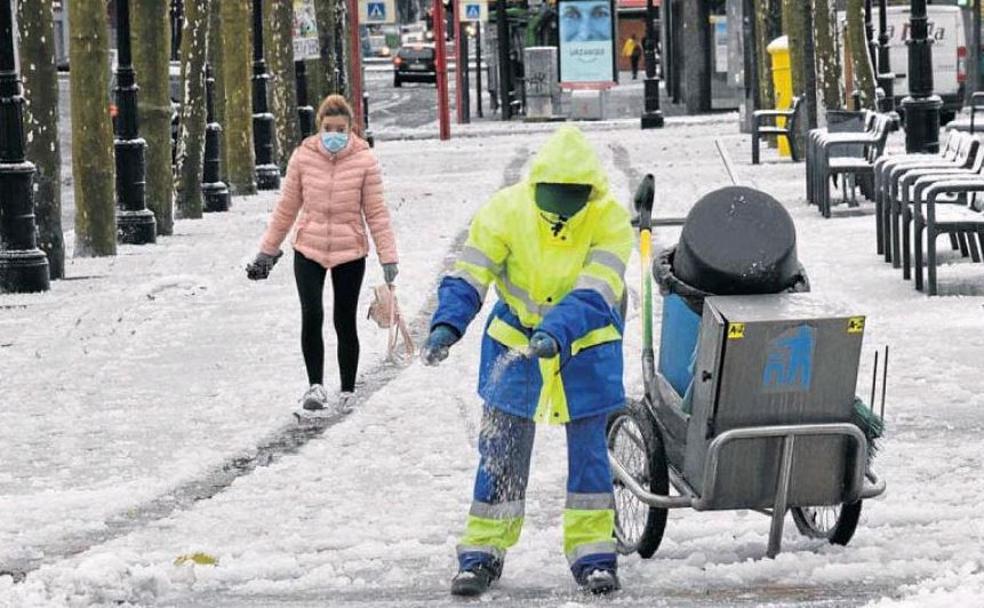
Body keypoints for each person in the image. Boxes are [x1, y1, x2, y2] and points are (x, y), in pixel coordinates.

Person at [421, 126, 634, 597]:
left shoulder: (610, 220)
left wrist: (556, 331)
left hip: (586, 351)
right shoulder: (506, 211)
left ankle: (594, 555)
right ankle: (481, 553)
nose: (563, 209)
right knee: (501, 453)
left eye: (572, 200)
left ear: (590, 193)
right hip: (514, 345)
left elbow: (597, 291)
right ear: (536, 188)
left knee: (590, 461)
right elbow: (471, 272)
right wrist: (448, 323)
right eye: (554, 199)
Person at [247, 95, 399, 416]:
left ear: (351, 128)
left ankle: (346, 389)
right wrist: (267, 251)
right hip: (308, 248)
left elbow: (376, 213)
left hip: (349, 251)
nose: (334, 134)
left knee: (344, 320)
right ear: (319, 128)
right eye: (328, 128)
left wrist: (388, 257)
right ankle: (315, 385)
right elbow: (286, 210)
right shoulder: (303, 158)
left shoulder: (364, 160)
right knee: (312, 314)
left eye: (340, 128)